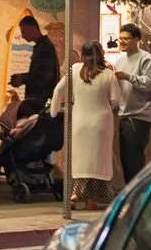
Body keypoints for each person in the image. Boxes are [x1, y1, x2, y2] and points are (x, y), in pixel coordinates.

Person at [50, 41, 121, 210]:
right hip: (102, 122)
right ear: (101, 54)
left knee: (81, 159)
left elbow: (58, 90)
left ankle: (77, 193)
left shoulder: (74, 70)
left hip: (80, 121)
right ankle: (92, 200)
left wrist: (54, 111)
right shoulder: (108, 74)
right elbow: (116, 100)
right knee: (99, 159)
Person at [113, 21, 151, 182]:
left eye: (126, 38)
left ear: (137, 39)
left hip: (139, 118)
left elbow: (150, 84)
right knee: (126, 160)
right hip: (124, 116)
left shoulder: (146, 59)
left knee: (134, 161)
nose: (122, 42)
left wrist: (127, 76)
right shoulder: (119, 61)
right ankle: (131, 196)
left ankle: (139, 197)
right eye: (120, 38)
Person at [9, 13, 60, 118]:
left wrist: (22, 79)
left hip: (40, 100)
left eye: (24, 32)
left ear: (32, 29)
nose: (22, 36)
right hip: (39, 99)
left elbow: (44, 76)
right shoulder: (41, 46)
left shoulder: (45, 48)